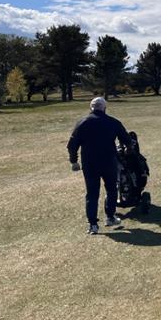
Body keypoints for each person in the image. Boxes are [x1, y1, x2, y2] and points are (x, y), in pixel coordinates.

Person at [67, 97, 132, 235]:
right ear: (104, 108)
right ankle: (110, 217)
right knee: (111, 189)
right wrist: (128, 150)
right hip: (109, 162)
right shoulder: (113, 122)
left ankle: (93, 225)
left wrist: (74, 161)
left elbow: (72, 145)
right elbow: (127, 140)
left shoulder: (82, 123)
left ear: (91, 108)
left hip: (89, 164)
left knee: (92, 193)